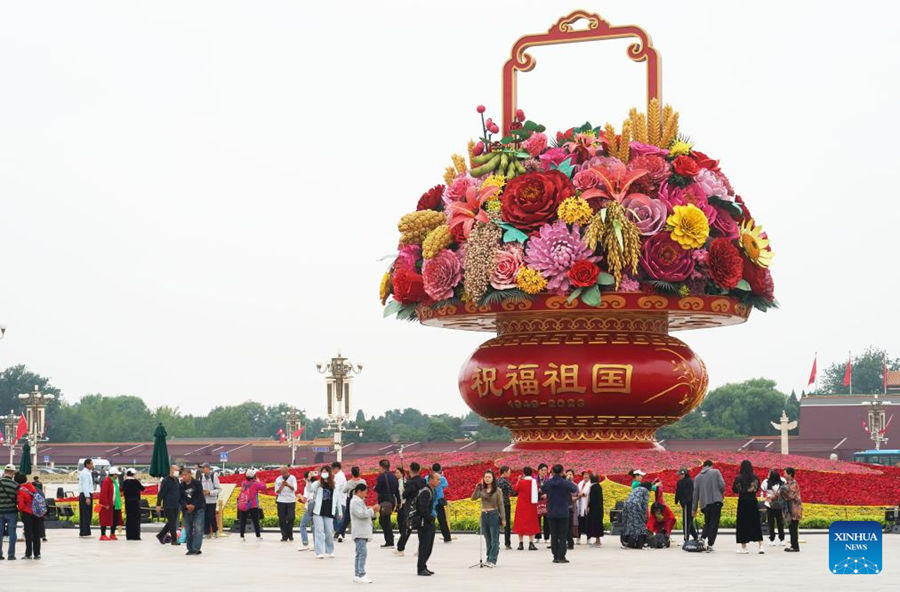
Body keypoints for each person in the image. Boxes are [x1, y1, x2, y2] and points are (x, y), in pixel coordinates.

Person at [541, 464, 578, 563]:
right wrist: (567, 479)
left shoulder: (549, 483)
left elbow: (542, 489)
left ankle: (555, 556)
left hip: (552, 512)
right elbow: (575, 489)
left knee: (554, 534)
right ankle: (561, 556)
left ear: (552, 472)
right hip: (563, 512)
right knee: (562, 535)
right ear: (562, 472)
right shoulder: (566, 483)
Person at [471, 469, 505, 567]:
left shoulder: (498, 490)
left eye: (489, 477)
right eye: (485, 477)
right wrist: (477, 487)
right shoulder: (482, 489)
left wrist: (503, 519)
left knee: (495, 539)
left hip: (493, 515)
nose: (487, 479)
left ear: (493, 479)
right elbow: (473, 498)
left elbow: (501, 505)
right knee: (487, 539)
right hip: (484, 516)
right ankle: (488, 558)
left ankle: (493, 560)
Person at [309, 464, 342, 558]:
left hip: (329, 511)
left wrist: (340, 511)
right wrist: (309, 480)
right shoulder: (317, 484)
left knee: (328, 532)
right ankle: (319, 552)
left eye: (326, 472)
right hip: (318, 511)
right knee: (319, 532)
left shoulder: (333, 484)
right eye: (322, 472)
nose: (324, 474)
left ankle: (330, 550)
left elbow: (337, 499)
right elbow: (310, 490)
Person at [692, 459, 725, 553]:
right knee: (714, 523)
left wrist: (694, 509)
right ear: (711, 466)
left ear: (703, 466)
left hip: (705, 504)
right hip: (716, 501)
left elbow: (695, 495)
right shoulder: (716, 472)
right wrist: (721, 493)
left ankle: (702, 537)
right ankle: (710, 545)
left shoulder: (697, 477)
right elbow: (722, 485)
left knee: (708, 522)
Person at [349, 482, 379, 584]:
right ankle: (361, 574)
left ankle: (357, 574)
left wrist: (370, 510)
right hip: (359, 532)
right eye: (365, 493)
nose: (366, 495)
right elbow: (361, 514)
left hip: (361, 531)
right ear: (359, 492)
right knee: (362, 553)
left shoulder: (359, 501)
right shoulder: (355, 502)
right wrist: (372, 509)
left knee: (359, 553)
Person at [733, 459, 764, 554]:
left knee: (742, 524)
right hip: (752, 502)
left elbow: (735, 489)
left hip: (742, 502)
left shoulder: (739, 478)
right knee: (755, 523)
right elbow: (757, 488)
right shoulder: (755, 478)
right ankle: (761, 546)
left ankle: (744, 547)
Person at [395, 461, 425, 556]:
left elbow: (404, 495)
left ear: (410, 469)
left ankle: (400, 549)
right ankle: (421, 549)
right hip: (421, 506)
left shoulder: (410, 482)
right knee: (421, 529)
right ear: (419, 470)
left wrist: (405, 489)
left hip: (411, 507)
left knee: (407, 528)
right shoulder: (423, 481)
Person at [415, 472, 440, 576]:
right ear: (430, 480)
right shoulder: (426, 492)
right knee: (424, 546)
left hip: (428, 522)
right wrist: (430, 518)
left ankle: (423, 566)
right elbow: (422, 509)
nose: (439, 481)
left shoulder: (431, 490)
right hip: (424, 523)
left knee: (428, 546)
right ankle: (420, 568)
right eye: (437, 479)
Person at [373, 459, 399, 548]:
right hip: (392, 500)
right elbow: (397, 491)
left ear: (382, 467)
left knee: (384, 521)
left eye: (379, 467)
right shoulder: (394, 477)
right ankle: (390, 538)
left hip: (384, 501)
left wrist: (375, 488)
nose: (378, 469)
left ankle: (389, 541)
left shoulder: (381, 477)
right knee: (385, 520)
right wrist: (398, 502)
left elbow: (378, 488)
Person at [180, 466, 205, 555]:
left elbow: (200, 496)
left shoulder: (197, 483)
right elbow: (180, 498)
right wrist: (186, 506)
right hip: (186, 510)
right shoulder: (181, 485)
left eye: (185, 475)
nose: (183, 477)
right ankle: (190, 548)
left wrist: (193, 505)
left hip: (198, 509)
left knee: (198, 529)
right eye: (182, 475)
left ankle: (196, 548)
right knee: (188, 530)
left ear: (190, 474)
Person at [513, 466, 539, 551]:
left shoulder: (521, 482)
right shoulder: (535, 482)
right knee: (532, 522)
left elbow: (515, 489)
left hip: (521, 505)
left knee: (521, 523)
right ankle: (531, 543)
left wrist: (518, 480)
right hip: (531, 505)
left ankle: (521, 543)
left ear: (523, 473)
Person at [16, 472, 41, 559]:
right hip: (37, 513)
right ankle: (37, 554)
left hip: (28, 514)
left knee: (29, 534)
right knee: (36, 533)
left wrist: (20, 509)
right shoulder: (32, 487)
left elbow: (21, 505)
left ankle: (28, 554)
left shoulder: (21, 490)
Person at [237, 468, 266, 540]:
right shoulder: (255, 484)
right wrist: (258, 480)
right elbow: (264, 487)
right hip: (252, 505)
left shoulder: (243, 483)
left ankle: (242, 536)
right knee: (256, 521)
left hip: (244, 504)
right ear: (253, 476)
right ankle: (258, 536)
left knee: (243, 521)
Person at [778, 467, 802, 552]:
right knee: (791, 527)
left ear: (790, 474)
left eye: (785, 473)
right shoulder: (788, 484)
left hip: (794, 509)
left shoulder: (793, 484)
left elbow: (790, 496)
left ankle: (795, 547)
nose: (783, 475)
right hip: (790, 509)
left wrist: (782, 490)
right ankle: (793, 545)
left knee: (793, 528)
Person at [156, 464, 181, 545]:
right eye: (176, 470)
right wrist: (158, 504)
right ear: (171, 470)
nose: (178, 472)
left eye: (178, 470)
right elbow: (161, 493)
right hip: (168, 505)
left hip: (176, 504)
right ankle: (174, 540)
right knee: (172, 522)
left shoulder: (176, 480)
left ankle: (160, 535)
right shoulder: (166, 480)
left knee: (171, 522)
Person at [621, 482, 651, 549]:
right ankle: (639, 541)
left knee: (629, 522)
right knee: (639, 522)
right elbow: (644, 504)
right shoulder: (645, 491)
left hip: (626, 504)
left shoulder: (636, 489)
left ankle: (627, 540)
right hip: (635, 505)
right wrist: (644, 517)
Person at [761, 469, 785, 546]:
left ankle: (772, 539)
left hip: (770, 504)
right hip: (779, 504)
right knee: (780, 522)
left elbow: (763, 489)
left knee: (771, 523)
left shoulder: (766, 482)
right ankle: (782, 539)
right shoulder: (782, 481)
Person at [98, 466, 123, 541]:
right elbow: (103, 493)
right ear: (113, 474)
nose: (117, 476)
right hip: (107, 505)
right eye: (117, 474)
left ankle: (112, 534)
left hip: (115, 504)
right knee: (104, 520)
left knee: (115, 519)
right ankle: (103, 535)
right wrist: (105, 504)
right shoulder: (107, 481)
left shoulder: (115, 482)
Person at [341, 466, 365, 542]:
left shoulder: (349, 482)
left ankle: (341, 533)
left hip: (350, 501)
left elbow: (344, 491)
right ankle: (361, 534)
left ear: (352, 473)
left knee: (346, 518)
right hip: (359, 500)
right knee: (360, 516)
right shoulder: (363, 481)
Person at [674, 468, 698, 542]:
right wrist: (677, 500)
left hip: (688, 504)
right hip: (685, 503)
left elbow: (691, 493)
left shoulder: (689, 481)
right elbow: (678, 491)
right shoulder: (682, 482)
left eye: (682, 474)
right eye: (680, 475)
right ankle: (695, 536)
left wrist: (685, 501)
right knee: (689, 520)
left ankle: (686, 537)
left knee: (687, 521)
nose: (680, 476)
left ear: (685, 474)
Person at [0, 464, 18, 559]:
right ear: (12, 473)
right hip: (11, 512)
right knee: (12, 534)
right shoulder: (15, 485)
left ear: (5, 472)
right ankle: (11, 555)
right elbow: (18, 500)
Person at [275, 465, 297, 542]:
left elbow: (294, 489)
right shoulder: (278, 479)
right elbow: (277, 492)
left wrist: (288, 485)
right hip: (281, 501)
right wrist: (281, 486)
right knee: (282, 519)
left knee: (291, 518)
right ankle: (284, 536)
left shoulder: (292, 478)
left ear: (288, 471)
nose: (283, 474)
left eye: (284, 473)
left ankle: (290, 534)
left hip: (291, 501)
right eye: (282, 473)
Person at [431, 463, 452, 543]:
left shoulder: (428, 477)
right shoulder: (441, 478)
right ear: (440, 469)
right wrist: (441, 476)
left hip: (431, 501)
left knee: (430, 520)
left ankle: (429, 537)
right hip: (439, 501)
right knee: (442, 520)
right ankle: (447, 537)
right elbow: (446, 485)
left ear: (432, 469)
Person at [122, 468, 145, 540]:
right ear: (133, 474)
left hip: (128, 503)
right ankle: (136, 536)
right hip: (135, 503)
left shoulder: (125, 482)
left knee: (129, 519)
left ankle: (129, 536)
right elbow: (142, 488)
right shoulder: (135, 481)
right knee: (136, 519)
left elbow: (122, 490)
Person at [297, 470, 317, 551]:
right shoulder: (316, 485)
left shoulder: (307, 487)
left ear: (306, 478)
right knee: (314, 527)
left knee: (302, 525)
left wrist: (300, 496)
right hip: (316, 508)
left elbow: (305, 499)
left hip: (309, 508)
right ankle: (316, 545)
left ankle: (305, 544)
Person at [199, 463, 221, 538]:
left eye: (204, 468)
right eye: (202, 468)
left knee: (211, 516)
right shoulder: (201, 477)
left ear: (208, 468)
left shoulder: (213, 476)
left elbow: (219, 489)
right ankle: (207, 532)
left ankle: (215, 530)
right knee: (205, 516)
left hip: (212, 500)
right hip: (204, 500)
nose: (203, 469)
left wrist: (210, 492)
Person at [496, 465, 515, 550]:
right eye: (509, 472)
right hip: (506, 504)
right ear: (504, 472)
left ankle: (496, 543)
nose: (510, 473)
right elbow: (512, 492)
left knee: (496, 524)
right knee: (506, 524)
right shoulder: (506, 482)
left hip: (496, 504)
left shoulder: (496, 481)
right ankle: (507, 544)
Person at [584, 473, 604, 545]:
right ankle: (597, 540)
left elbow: (592, 499)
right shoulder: (598, 486)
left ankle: (598, 541)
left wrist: (588, 506)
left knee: (595, 524)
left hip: (594, 510)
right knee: (598, 523)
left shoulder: (593, 487)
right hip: (599, 509)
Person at [78, 458, 94, 537]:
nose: (92, 465)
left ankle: (85, 531)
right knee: (86, 514)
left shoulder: (88, 472)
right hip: (85, 495)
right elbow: (85, 485)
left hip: (85, 494)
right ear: (87, 464)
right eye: (91, 464)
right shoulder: (85, 473)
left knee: (86, 514)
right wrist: (87, 497)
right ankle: (85, 532)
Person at [331, 461, 347, 542]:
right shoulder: (337, 476)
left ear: (337, 468)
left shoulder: (340, 476)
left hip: (340, 501)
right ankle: (338, 533)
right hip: (337, 500)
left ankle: (340, 533)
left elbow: (336, 488)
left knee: (339, 518)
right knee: (336, 518)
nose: (332, 470)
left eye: (333, 469)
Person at [575, 470, 591, 544]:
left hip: (586, 506)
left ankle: (589, 539)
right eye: (584, 475)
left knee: (587, 523)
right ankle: (578, 538)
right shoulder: (580, 484)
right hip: (579, 505)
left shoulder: (590, 484)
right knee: (579, 523)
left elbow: (589, 495)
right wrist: (580, 495)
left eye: (587, 475)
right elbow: (577, 493)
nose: (586, 476)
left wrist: (582, 495)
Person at [536, 463, 550, 544]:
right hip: (537, 502)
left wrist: (547, 494)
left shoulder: (548, 480)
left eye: (546, 470)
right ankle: (537, 536)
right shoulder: (535, 479)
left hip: (546, 502)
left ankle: (546, 537)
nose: (544, 472)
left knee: (547, 520)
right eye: (542, 470)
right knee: (537, 519)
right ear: (539, 471)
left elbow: (552, 490)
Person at [32, 475, 47, 543]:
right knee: (41, 523)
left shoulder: (32, 490)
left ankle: (33, 535)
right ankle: (43, 536)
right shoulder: (40, 487)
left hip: (34, 509)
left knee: (33, 523)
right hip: (41, 509)